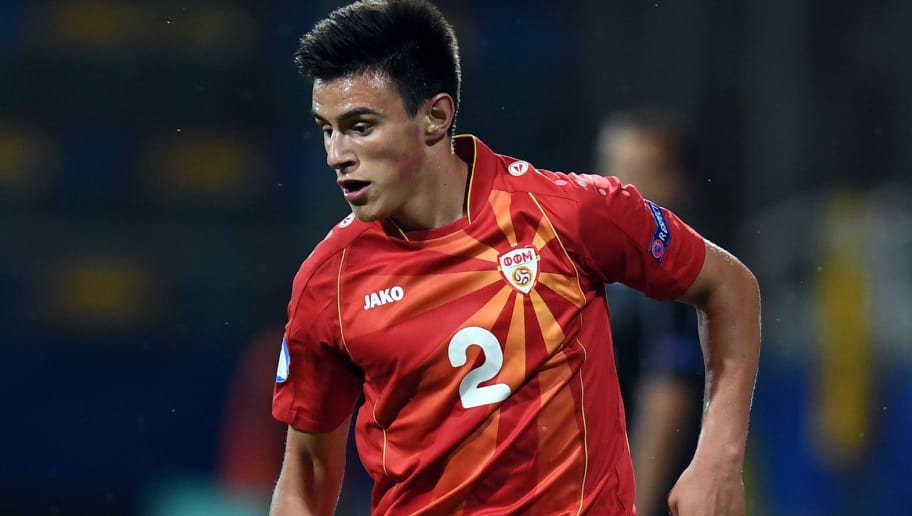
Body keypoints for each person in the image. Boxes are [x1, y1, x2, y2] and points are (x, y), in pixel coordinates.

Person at [270, 1, 761, 515]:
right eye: (326, 129)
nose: (336, 154)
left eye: (360, 126)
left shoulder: (571, 214)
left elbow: (730, 286)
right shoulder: (328, 280)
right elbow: (307, 472)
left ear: (435, 116)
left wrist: (718, 460)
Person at [595, 110, 706, 516]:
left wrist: (633, 507)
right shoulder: (601, 269)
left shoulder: (670, 279)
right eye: (613, 169)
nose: (623, 188)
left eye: (642, 173)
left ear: (677, 183)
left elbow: (667, 397)